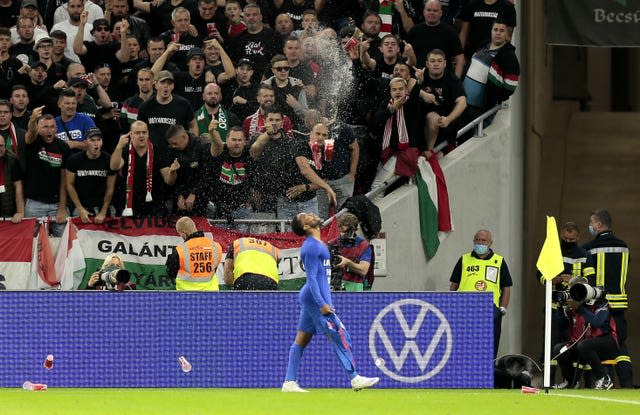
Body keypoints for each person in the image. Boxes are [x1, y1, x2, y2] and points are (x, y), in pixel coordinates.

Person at [282, 212, 380, 392]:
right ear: (305, 227)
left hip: (313, 296)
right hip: (314, 298)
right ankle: (354, 378)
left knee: (301, 340)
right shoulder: (311, 247)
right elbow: (311, 278)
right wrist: (322, 303)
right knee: (339, 334)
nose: (311, 214)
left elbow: (322, 276)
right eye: (306, 216)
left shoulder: (321, 244)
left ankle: (289, 382)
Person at [536, 221, 595, 381]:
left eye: (572, 240)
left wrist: (575, 280)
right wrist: (550, 280)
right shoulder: (552, 253)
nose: (568, 242)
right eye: (565, 239)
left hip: (575, 310)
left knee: (572, 346)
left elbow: (591, 280)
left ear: (578, 237)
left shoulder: (584, 255)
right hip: (554, 308)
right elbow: (538, 274)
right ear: (561, 235)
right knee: (550, 345)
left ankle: (571, 382)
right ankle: (549, 380)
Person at [582, 209, 633, 388]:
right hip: (620, 303)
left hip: (601, 303)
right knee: (620, 344)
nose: (590, 226)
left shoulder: (590, 248)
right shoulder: (623, 246)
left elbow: (588, 278)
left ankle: (601, 380)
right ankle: (626, 383)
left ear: (599, 224)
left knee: (596, 341)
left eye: (591, 223)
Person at [450, 229, 512, 358]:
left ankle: (487, 375)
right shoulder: (464, 259)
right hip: (464, 309)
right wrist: (451, 303)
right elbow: (454, 284)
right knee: (463, 347)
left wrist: (502, 308)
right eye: (477, 240)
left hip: (490, 310)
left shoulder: (499, 261)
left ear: (490, 243)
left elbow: (506, 286)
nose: (480, 243)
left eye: (483, 240)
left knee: (489, 349)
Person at [551, 278, 618, 390]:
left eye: (578, 290)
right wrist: (560, 306)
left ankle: (604, 379)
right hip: (583, 344)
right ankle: (571, 382)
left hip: (607, 342)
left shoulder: (600, 302)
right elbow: (561, 325)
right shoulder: (572, 306)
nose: (575, 294)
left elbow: (597, 322)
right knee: (559, 349)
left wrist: (580, 308)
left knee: (584, 345)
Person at [461, 18, 520, 132]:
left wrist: (495, 97)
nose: (498, 33)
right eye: (495, 29)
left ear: (507, 34)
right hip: (464, 104)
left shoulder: (508, 56)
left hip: (481, 108)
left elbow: (511, 85)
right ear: (491, 31)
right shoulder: (483, 46)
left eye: (501, 30)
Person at [23, 106, 70, 237]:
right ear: (38, 129)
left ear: (56, 128)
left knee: (64, 241)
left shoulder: (63, 146)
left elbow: (64, 180)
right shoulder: (33, 142)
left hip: (56, 205)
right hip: (34, 204)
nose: (49, 130)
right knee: (31, 242)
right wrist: (33, 119)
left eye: (52, 127)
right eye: (45, 127)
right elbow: (29, 135)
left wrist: (62, 207)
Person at [416, 48, 467, 152]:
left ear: (444, 64)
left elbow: (462, 102)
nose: (436, 64)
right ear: (427, 64)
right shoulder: (421, 74)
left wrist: (448, 119)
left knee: (432, 117)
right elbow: (406, 86)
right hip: (421, 120)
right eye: (433, 61)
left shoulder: (452, 80)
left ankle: (429, 152)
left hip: (443, 122)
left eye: (439, 61)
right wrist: (421, 90)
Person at [65, 127, 116, 224]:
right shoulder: (74, 160)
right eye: (92, 140)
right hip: (81, 207)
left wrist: (103, 212)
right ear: (86, 142)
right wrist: (80, 209)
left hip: (104, 207)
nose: (96, 143)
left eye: (98, 140)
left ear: (102, 142)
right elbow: (69, 185)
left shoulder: (109, 160)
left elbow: (110, 187)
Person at [406, 0, 464, 78]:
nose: (432, 13)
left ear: (441, 13)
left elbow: (459, 57)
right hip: (418, 77)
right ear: (424, 12)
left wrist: (456, 80)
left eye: (435, 10)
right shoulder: (414, 31)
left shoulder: (450, 32)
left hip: (444, 79)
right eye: (429, 10)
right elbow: (405, 56)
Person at [165, 216, 223, 291]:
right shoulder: (216, 247)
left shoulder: (180, 251)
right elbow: (214, 267)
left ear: (183, 233)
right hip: (211, 296)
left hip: (187, 297)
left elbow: (171, 273)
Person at [330, 213, 373, 292]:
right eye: (341, 231)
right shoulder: (332, 244)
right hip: (333, 285)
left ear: (355, 230)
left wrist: (348, 262)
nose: (343, 235)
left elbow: (364, 270)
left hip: (355, 289)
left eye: (347, 232)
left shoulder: (364, 245)